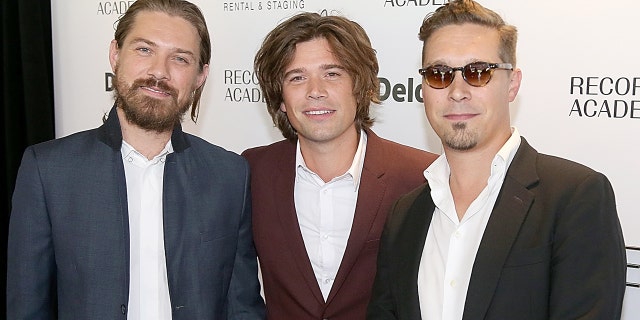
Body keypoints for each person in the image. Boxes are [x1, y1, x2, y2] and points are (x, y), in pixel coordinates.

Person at [367, 1, 627, 319]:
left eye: (478, 73)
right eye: (439, 74)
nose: (457, 91)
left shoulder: (575, 198)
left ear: (512, 84)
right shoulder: (405, 214)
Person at [6, 0, 265, 319]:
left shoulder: (229, 176)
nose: (159, 71)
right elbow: (27, 306)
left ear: (200, 77)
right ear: (115, 54)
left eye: (180, 58)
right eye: (144, 50)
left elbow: (242, 306)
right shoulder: (48, 171)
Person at [242, 12, 438, 320]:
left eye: (332, 73)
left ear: (359, 87)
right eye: (297, 77)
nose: (315, 90)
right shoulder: (251, 172)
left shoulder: (422, 176)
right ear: (280, 98)